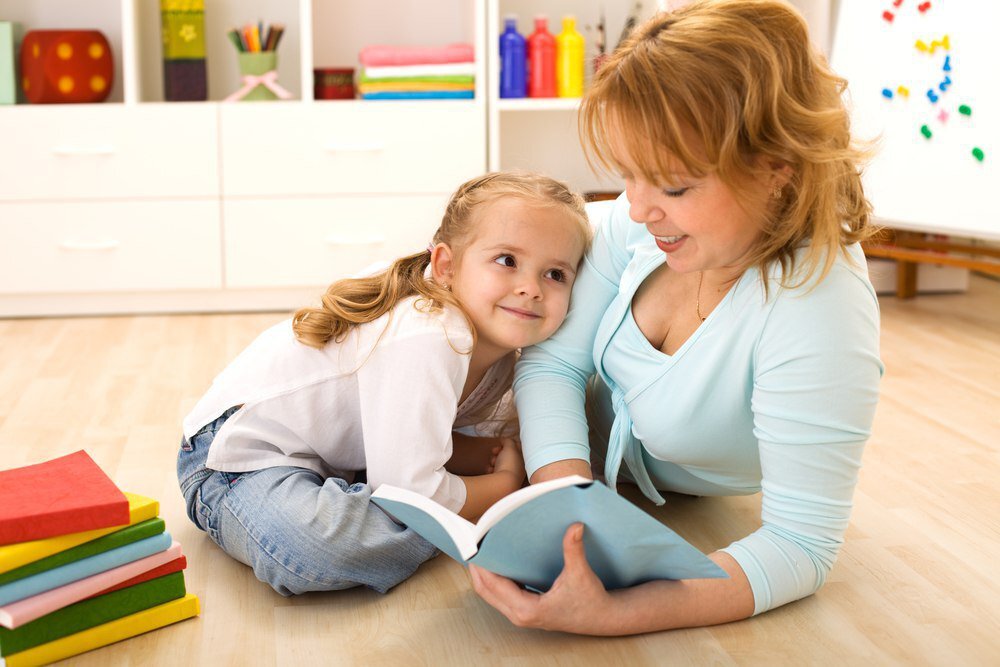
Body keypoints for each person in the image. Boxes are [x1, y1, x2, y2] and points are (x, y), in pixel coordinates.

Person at [469, 0, 884, 634]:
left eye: (674, 187)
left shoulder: (819, 307)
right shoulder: (643, 225)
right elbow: (552, 363)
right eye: (628, 176)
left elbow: (801, 545)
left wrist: (617, 611)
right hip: (514, 416)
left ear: (776, 170)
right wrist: (568, 510)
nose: (637, 210)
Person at [177, 172, 591, 596]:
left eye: (555, 274)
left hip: (332, 460)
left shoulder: (505, 356)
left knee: (405, 499)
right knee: (316, 547)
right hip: (234, 457)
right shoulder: (432, 333)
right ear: (446, 266)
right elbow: (412, 491)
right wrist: (501, 486)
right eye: (507, 261)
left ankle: (394, 499)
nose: (531, 289)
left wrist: (480, 459)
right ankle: (440, 518)